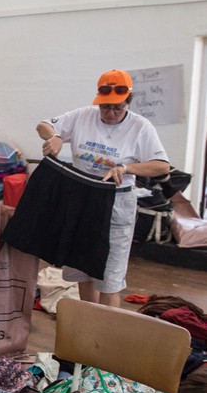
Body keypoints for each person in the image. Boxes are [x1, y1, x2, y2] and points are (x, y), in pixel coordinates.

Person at [36, 69, 170, 307]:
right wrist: (55, 136)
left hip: (115, 201)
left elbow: (161, 166)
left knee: (110, 275)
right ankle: (89, 320)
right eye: (105, 107)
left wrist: (127, 169)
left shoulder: (141, 127)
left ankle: (109, 330)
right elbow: (43, 125)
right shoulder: (82, 116)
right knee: (82, 267)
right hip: (81, 199)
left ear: (128, 102)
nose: (110, 113)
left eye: (117, 108)